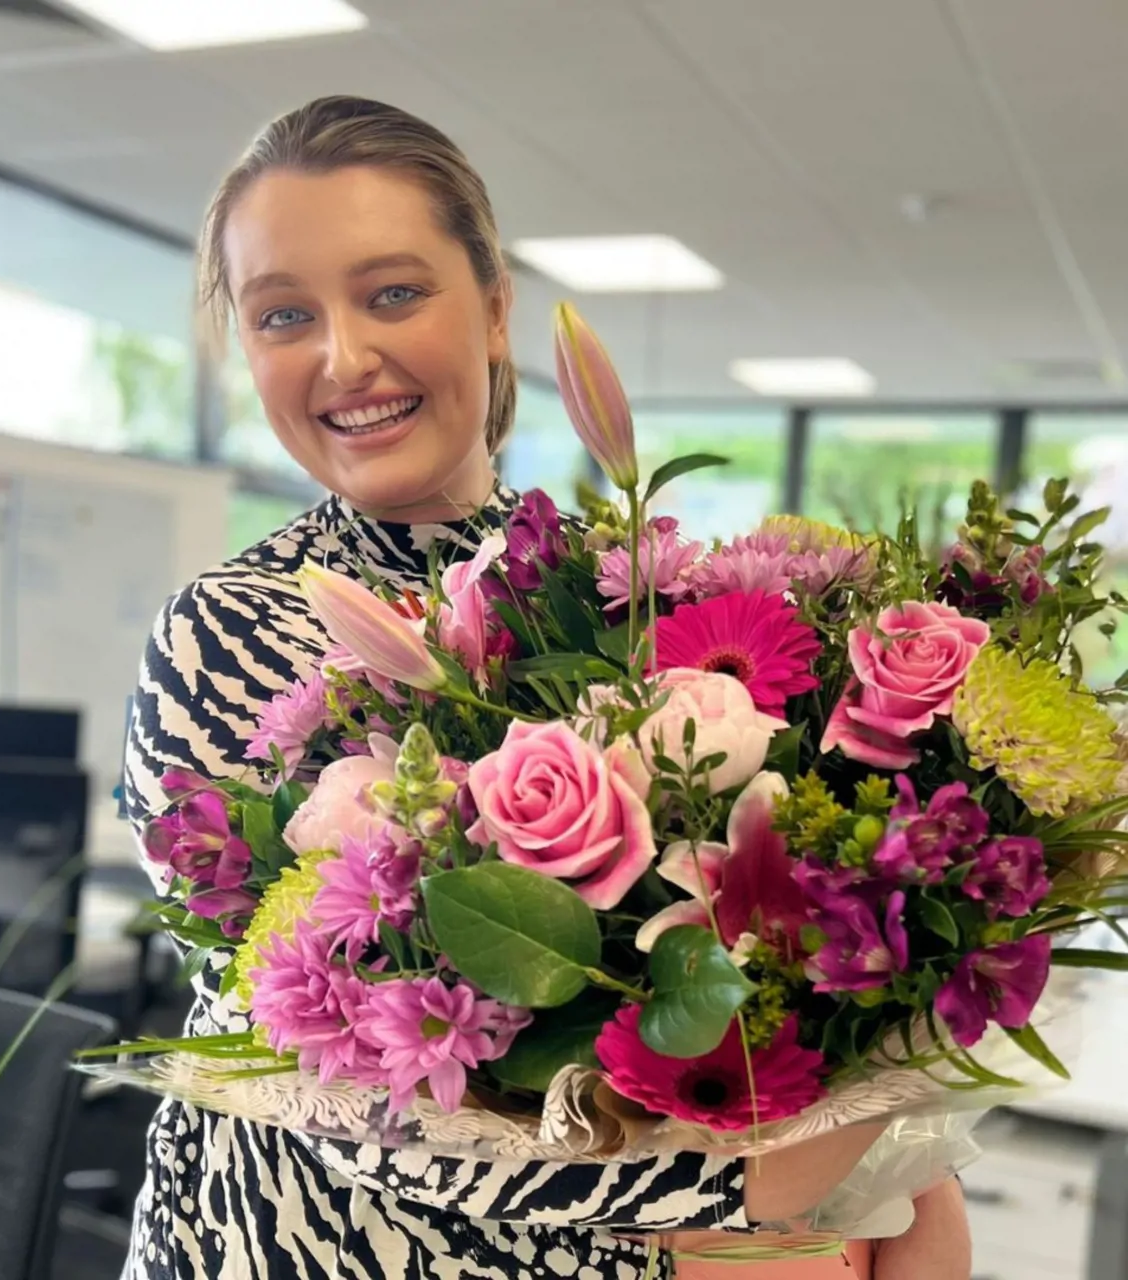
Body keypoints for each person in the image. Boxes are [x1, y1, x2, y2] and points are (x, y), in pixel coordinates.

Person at [122, 95, 969, 1280]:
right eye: (282, 314)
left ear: (495, 306)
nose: (344, 356)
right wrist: (747, 1181)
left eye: (393, 292)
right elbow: (313, 1071)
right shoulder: (226, 635)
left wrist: (893, 1147)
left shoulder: (640, 593)